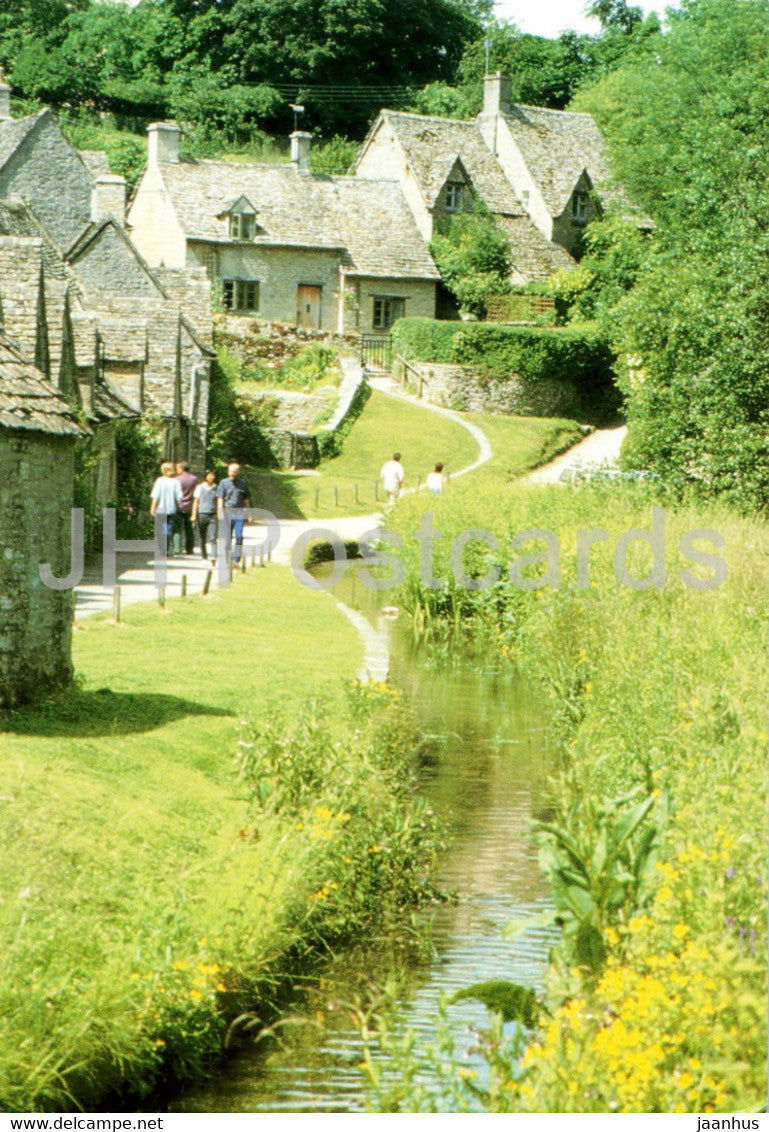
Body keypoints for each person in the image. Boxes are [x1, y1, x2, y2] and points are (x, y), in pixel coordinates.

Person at [216, 461, 252, 565]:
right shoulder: (223, 483)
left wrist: (249, 514)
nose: (232, 473)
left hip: (239, 513)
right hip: (227, 512)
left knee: (239, 536)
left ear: (238, 472)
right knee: (227, 538)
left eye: (235, 472)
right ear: (228, 472)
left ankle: (237, 560)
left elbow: (246, 500)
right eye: (231, 471)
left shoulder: (243, 483)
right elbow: (220, 498)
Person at [149, 461, 183, 556]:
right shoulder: (176, 482)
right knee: (168, 530)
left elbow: (155, 496)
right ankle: (166, 549)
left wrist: (152, 507)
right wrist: (179, 505)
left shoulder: (159, 481)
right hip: (172, 509)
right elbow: (179, 497)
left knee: (160, 530)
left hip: (160, 509)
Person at [192, 470, 218, 562]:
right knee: (202, 537)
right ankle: (204, 556)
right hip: (202, 514)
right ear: (206, 476)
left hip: (213, 515)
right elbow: (196, 501)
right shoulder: (199, 487)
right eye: (210, 475)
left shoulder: (216, 488)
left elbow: (218, 502)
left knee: (213, 537)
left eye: (213, 475)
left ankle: (214, 556)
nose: (212, 477)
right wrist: (194, 515)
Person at [174, 461, 198, 555]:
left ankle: (177, 549)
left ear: (182, 468)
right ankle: (189, 549)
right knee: (189, 529)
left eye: (177, 468)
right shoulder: (194, 479)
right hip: (190, 505)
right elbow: (195, 493)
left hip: (178, 506)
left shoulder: (176, 479)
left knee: (177, 529)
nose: (176, 470)